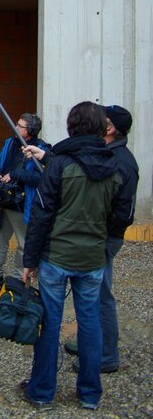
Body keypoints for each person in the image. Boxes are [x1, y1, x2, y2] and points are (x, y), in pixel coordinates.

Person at [21, 102, 126, 411]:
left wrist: (30, 260)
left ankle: (42, 392)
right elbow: (120, 215)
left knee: (50, 322)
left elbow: (41, 213)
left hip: (57, 257)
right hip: (92, 258)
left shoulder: (60, 164)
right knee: (90, 323)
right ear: (99, 128)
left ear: (71, 127)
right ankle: (90, 394)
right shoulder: (114, 165)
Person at [65, 105, 139, 372]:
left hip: (104, 238)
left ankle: (106, 356)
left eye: (102, 119)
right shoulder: (109, 154)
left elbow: (124, 212)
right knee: (90, 294)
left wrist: (100, 230)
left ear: (110, 129)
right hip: (99, 236)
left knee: (100, 296)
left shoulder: (122, 161)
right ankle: (91, 344)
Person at [0, 114, 49, 287]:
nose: (16, 127)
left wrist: (14, 174)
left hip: (23, 204)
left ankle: (17, 279)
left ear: (30, 131)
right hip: (5, 200)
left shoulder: (41, 149)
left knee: (23, 243)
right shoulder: (10, 143)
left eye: (20, 126)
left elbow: (40, 177)